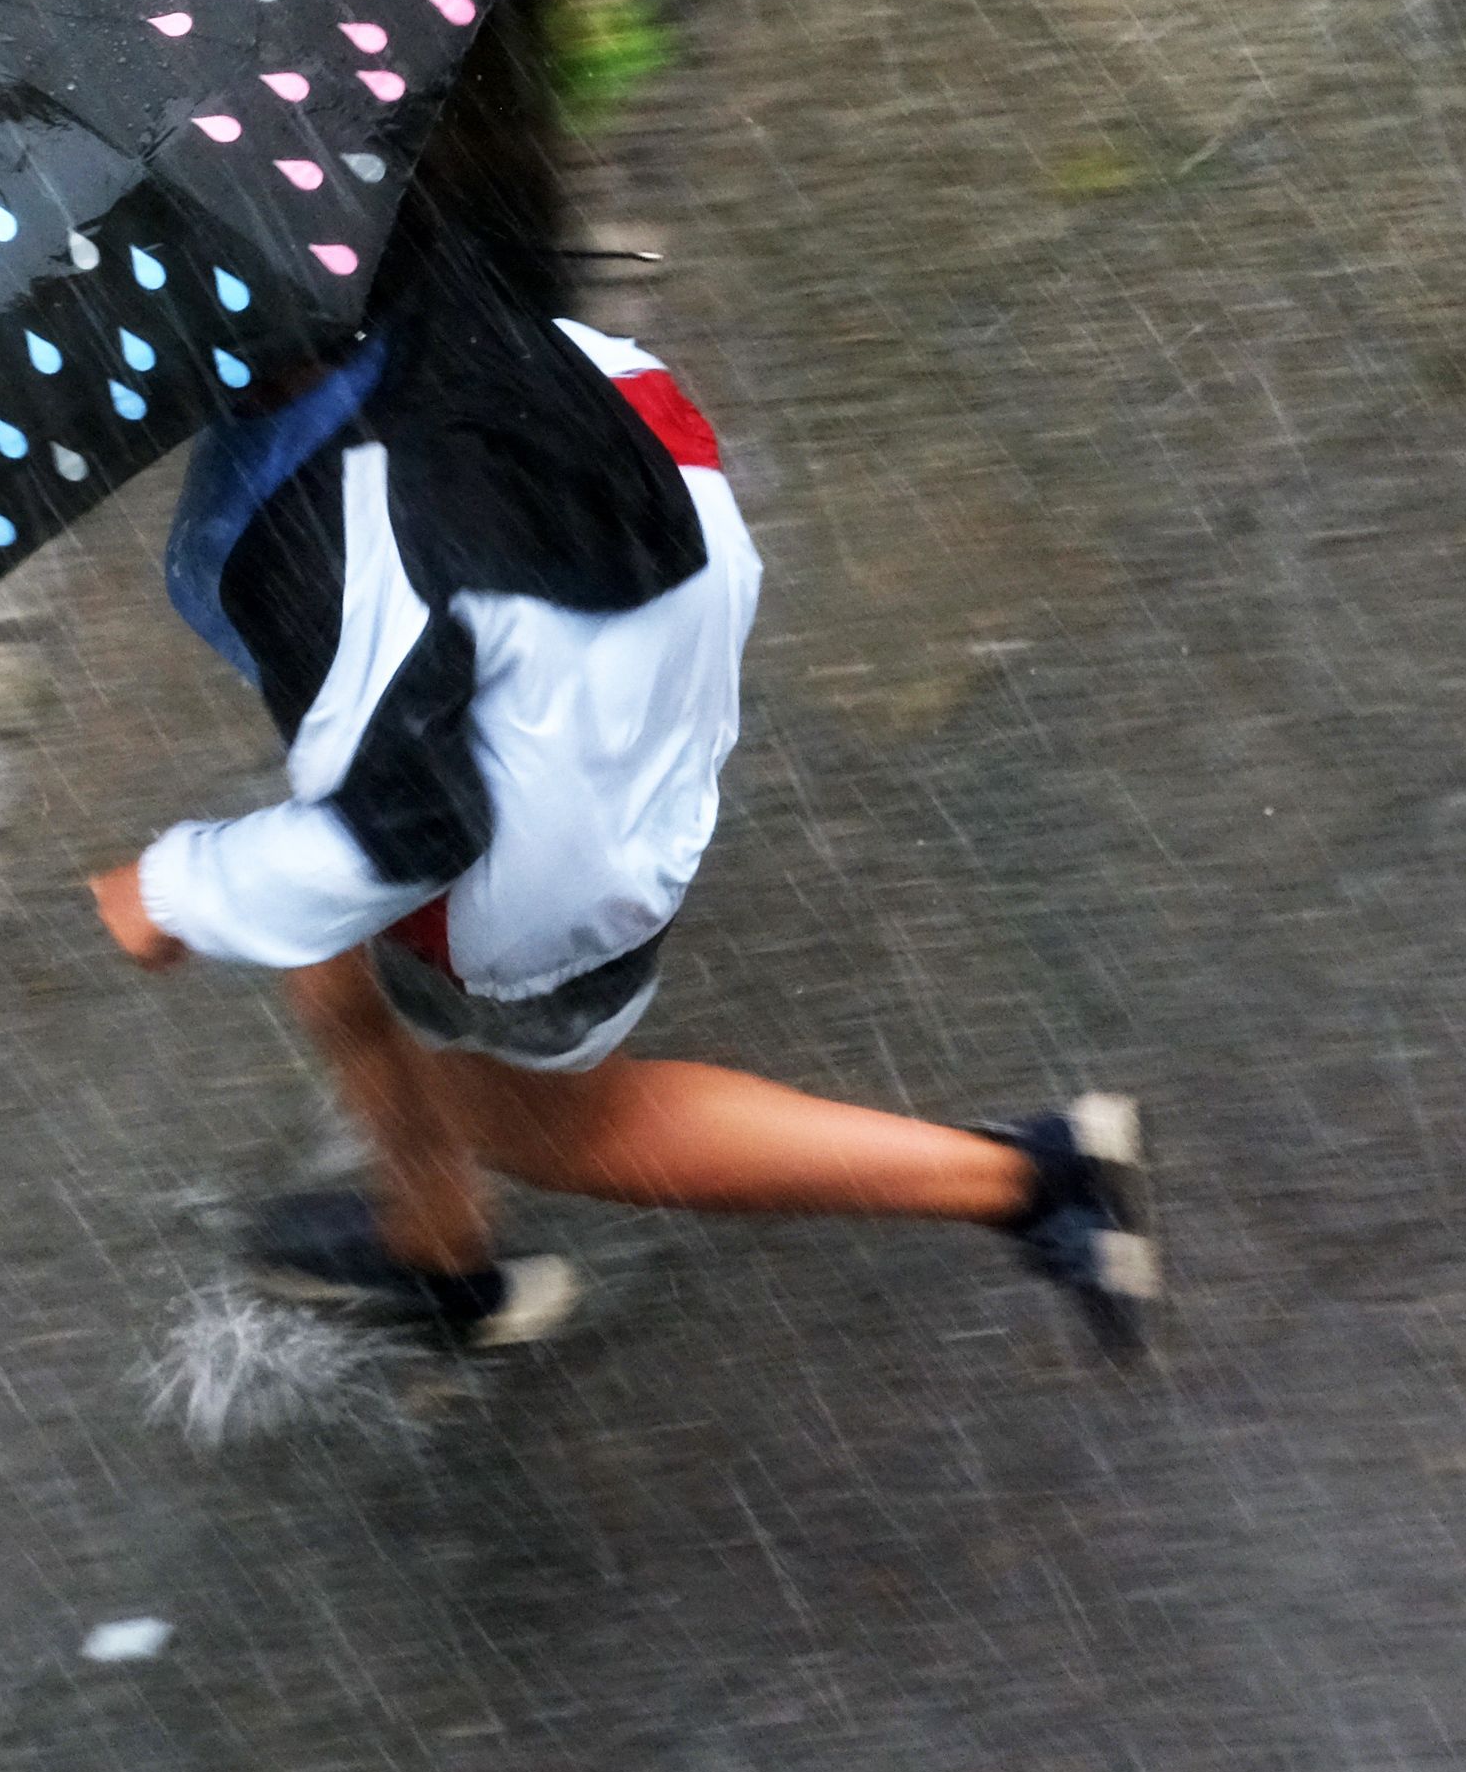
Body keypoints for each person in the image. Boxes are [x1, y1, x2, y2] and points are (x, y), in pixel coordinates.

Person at [86, 212, 1156, 1354]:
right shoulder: (457, 316)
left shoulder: (333, 547)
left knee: (562, 1128)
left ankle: (1035, 1180)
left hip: (540, 839)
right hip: (614, 668)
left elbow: (403, 830)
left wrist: (175, 891)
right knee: (326, 939)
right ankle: (434, 1240)